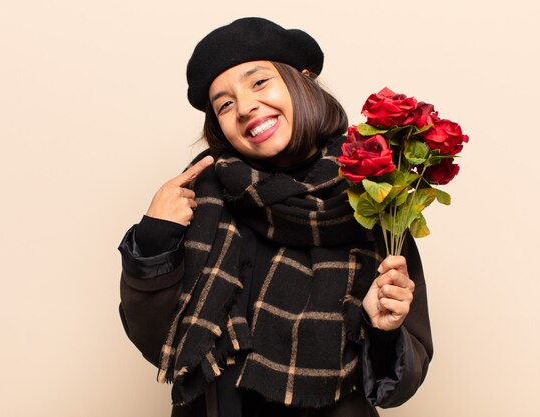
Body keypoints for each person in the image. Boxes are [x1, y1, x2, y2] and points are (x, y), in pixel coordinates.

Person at [118, 17, 433, 417]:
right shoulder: (201, 195)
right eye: (225, 104)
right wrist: (154, 238)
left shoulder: (372, 196)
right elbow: (158, 344)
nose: (246, 107)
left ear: (301, 81)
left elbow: (395, 389)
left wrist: (383, 331)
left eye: (259, 82)